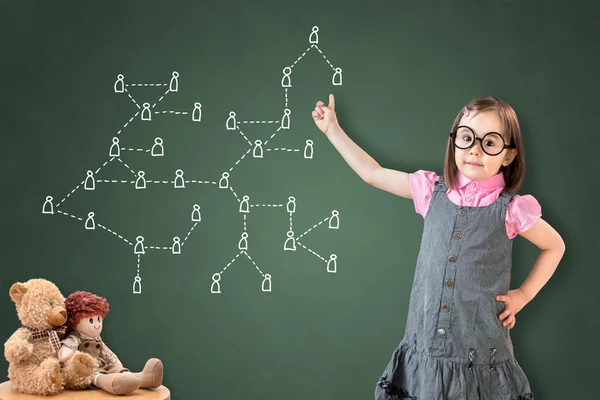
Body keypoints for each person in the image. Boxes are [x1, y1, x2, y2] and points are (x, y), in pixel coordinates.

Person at [312, 94, 565, 399]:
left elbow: (555, 246)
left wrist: (523, 295)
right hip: (425, 346)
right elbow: (373, 173)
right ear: (454, 141)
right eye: (467, 137)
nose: (474, 149)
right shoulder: (431, 192)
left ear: (508, 155)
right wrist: (333, 131)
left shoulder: (511, 210)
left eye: (490, 142)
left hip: (479, 353)